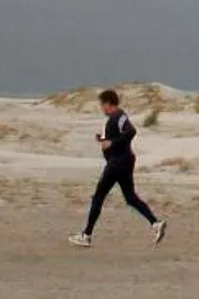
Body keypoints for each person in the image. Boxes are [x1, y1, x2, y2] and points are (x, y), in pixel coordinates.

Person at [69, 88, 165, 248]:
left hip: (118, 163)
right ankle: (156, 223)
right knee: (130, 197)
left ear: (108, 103)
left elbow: (131, 132)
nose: (102, 108)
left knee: (98, 197)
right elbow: (118, 138)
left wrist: (111, 143)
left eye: (102, 105)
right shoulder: (115, 118)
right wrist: (103, 139)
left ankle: (86, 235)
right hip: (123, 161)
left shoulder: (118, 116)